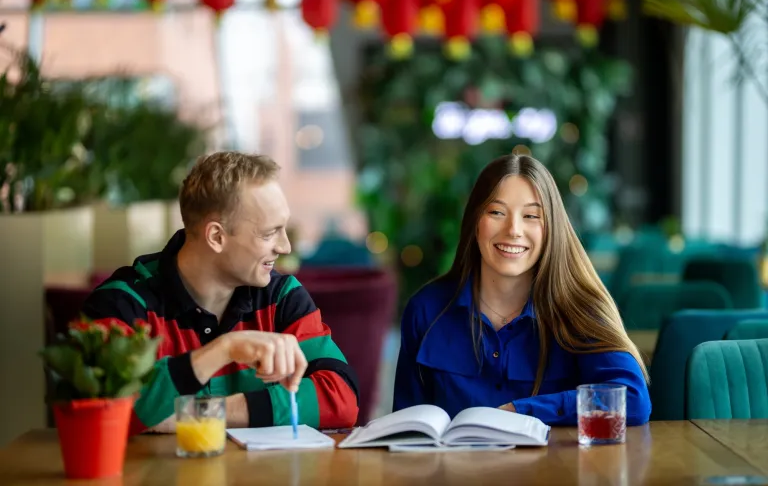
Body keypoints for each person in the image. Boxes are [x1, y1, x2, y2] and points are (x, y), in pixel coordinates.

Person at [82, 152, 359, 435]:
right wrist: (224, 349)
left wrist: (201, 414)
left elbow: (341, 399)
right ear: (216, 237)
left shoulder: (282, 296)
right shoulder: (121, 304)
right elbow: (103, 415)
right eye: (269, 233)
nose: (285, 247)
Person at [393, 154, 651, 426]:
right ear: (474, 222)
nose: (513, 230)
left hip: (554, 469)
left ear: (551, 228)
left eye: (531, 216)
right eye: (496, 212)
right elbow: (406, 427)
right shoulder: (426, 309)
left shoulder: (579, 306)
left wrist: (518, 412)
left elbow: (631, 399)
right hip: (455, 468)